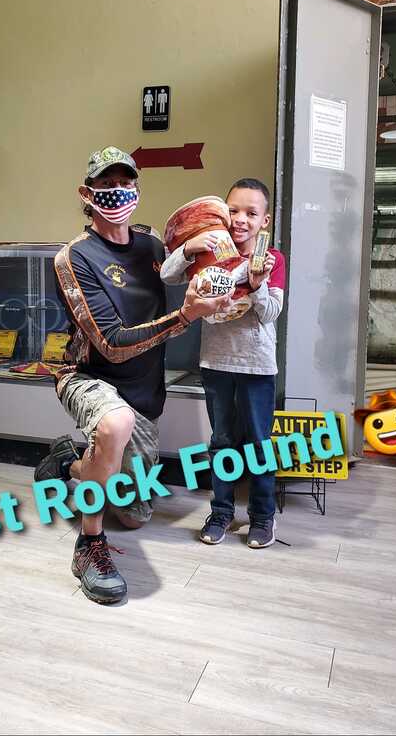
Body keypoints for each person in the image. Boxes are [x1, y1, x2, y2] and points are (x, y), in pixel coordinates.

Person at [34, 146, 227, 604]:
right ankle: (90, 547)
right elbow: (112, 344)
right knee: (113, 423)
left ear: (137, 190)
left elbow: (190, 273)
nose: (117, 193)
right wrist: (184, 316)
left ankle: (68, 464)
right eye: (106, 186)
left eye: (126, 184)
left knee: (136, 513)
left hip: (144, 392)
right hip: (90, 376)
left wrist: (207, 251)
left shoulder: (152, 246)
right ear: (87, 193)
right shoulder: (73, 258)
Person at [160, 178, 285, 548]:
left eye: (251, 212)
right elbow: (167, 275)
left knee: (260, 445)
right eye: (233, 210)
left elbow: (270, 313)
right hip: (216, 363)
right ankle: (221, 513)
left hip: (257, 368)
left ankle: (263, 518)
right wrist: (189, 247)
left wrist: (258, 282)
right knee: (221, 443)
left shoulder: (272, 259)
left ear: (265, 221)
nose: (240, 219)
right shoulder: (208, 250)